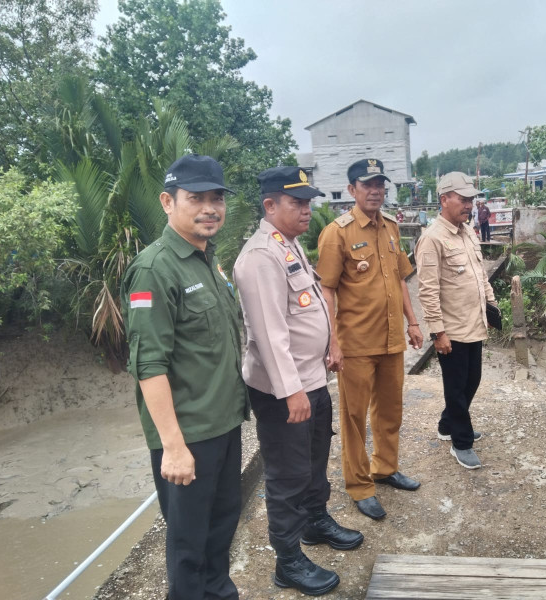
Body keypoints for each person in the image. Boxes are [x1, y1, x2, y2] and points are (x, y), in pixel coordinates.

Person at [121, 154, 249, 600]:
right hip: (188, 434)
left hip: (223, 423)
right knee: (189, 546)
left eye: (216, 198)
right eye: (196, 198)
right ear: (168, 202)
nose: (209, 207)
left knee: (221, 528)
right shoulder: (155, 269)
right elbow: (148, 365)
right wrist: (173, 448)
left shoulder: (205, 261)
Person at [233, 167, 363, 596]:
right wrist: (291, 391)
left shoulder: (287, 245)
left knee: (313, 460)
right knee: (287, 475)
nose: (307, 210)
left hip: (311, 378)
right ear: (270, 206)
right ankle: (287, 560)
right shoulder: (259, 257)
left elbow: (307, 308)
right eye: (297, 203)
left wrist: (331, 344)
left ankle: (315, 522)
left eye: (308, 202)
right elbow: (268, 333)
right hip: (282, 390)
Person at [316, 158, 424, 520]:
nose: (375, 190)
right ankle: (360, 485)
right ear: (352, 190)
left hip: (392, 339)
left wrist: (413, 322)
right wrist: (332, 342)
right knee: (353, 416)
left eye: (380, 184)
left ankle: (386, 468)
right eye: (367, 185)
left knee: (390, 410)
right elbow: (326, 290)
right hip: (356, 343)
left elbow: (400, 279)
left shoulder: (392, 227)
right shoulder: (337, 232)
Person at [415, 172, 498, 470]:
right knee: (456, 386)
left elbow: (480, 275)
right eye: (463, 199)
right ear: (444, 199)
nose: (469, 205)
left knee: (471, 381)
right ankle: (461, 442)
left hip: (473, 322)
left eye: (471, 199)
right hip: (451, 329)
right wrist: (438, 331)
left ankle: (447, 424)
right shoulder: (432, 239)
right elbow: (427, 289)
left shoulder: (467, 232)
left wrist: (492, 305)